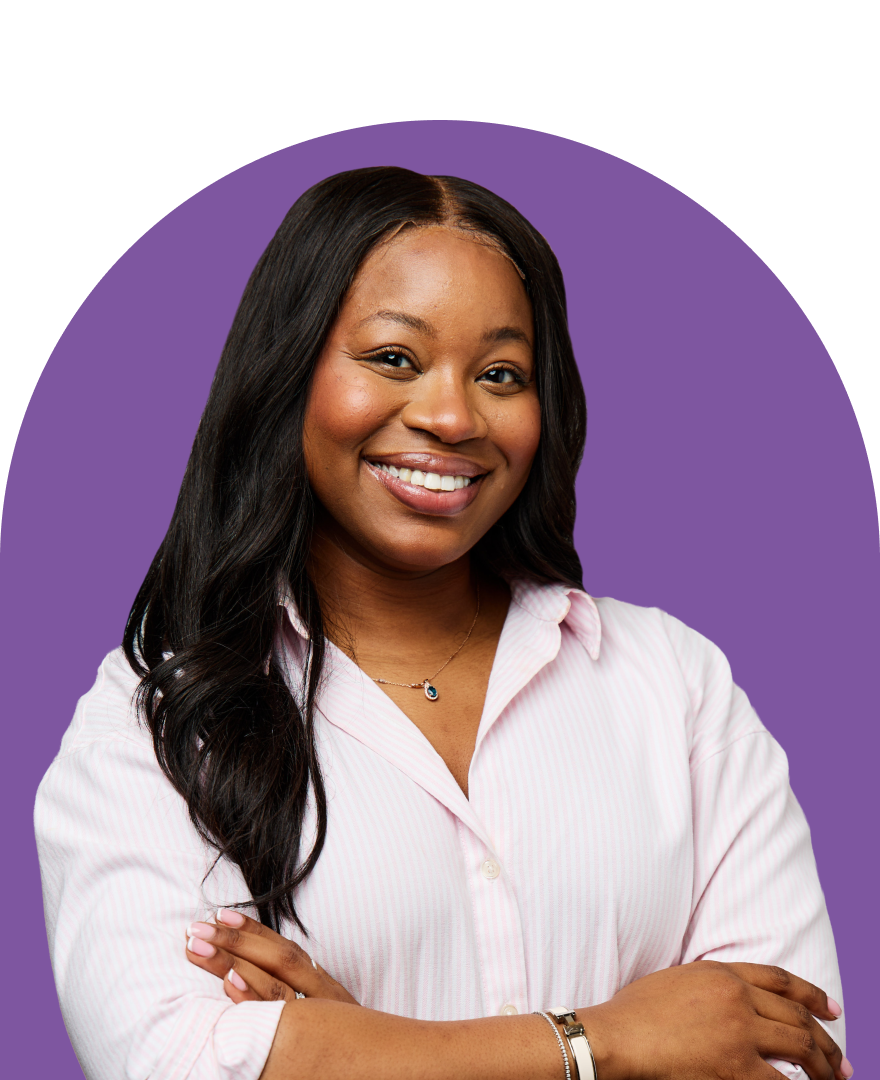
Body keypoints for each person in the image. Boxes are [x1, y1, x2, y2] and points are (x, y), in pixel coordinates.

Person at [35, 166, 851, 1080]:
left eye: (502, 373)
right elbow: (176, 1063)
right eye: (394, 358)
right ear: (290, 370)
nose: (453, 415)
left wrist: (369, 1049)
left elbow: (792, 1061)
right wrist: (602, 1043)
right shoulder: (154, 729)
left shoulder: (676, 687)